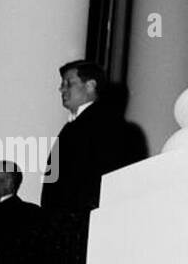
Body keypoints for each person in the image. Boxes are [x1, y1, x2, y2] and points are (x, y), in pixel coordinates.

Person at [42, 60, 147, 214]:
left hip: (81, 224)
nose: (61, 89)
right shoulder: (73, 126)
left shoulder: (106, 125)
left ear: (90, 86)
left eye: (68, 83)